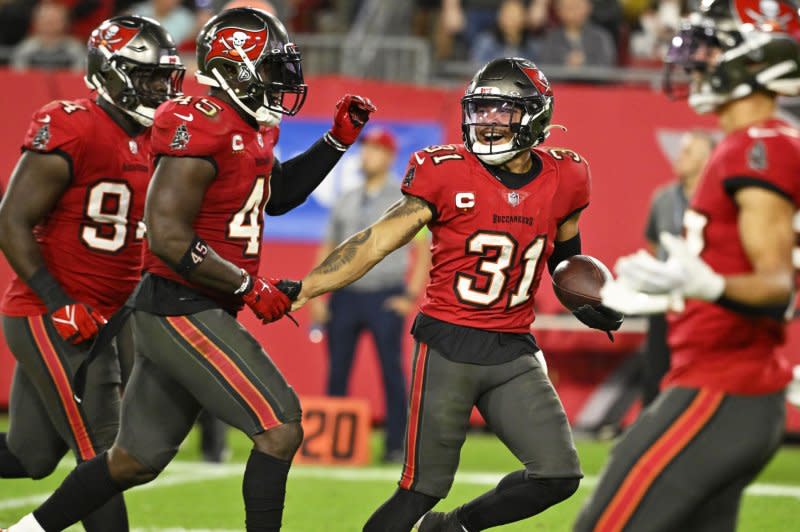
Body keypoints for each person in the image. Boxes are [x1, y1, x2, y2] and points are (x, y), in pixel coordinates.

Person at [2, 7, 375, 532]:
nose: (281, 82)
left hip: (169, 305)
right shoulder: (195, 121)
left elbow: (279, 196)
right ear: (235, 68)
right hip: (173, 304)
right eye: (270, 70)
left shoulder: (250, 126)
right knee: (280, 425)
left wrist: (335, 142)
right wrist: (249, 285)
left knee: (129, 459)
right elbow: (169, 236)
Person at [268, 57, 624, 532]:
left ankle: (453, 527)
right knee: (421, 489)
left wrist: (590, 302)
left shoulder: (567, 177)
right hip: (449, 346)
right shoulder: (445, 172)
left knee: (558, 474)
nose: (489, 122)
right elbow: (375, 241)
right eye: (482, 110)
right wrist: (306, 289)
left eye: (503, 112)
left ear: (535, 116)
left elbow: (565, 260)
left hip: (513, 348)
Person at [578, 2, 800, 530]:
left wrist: (705, 282)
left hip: (722, 388)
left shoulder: (756, 147)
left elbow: (774, 285)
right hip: (727, 385)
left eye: (711, 48)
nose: (697, 62)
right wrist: (670, 292)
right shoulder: (749, 145)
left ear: (751, 56)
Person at [0, 15, 185, 532]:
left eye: (164, 78)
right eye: (147, 77)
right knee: (104, 453)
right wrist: (59, 303)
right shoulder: (72, 124)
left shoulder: (157, 139)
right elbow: (11, 222)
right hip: (51, 312)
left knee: (29, 456)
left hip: (108, 317)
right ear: (112, 72)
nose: (158, 89)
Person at [310, 127, 431, 463]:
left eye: (376, 150)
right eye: (365, 149)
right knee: (337, 370)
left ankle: (396, 446)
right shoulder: (347, 197)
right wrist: (317, 292)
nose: (367, 155)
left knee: (392, 371)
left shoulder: (403, 199)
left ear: (389, 156)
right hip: (345, 294)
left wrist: (409, 294)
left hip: (384, 293)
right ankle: (332, 443)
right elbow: (328, 246)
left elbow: (423, 250)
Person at [639, 130, 713, 406]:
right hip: (665, 300)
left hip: (702, 303)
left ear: (708, 160)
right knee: (656, 370)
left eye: (688, 152)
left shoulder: (718, 200)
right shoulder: (663, 198)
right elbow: (652, 240)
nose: (679, 157)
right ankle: (649, 438)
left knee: (701, 373)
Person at [537, 0, 617, 68]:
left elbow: (606, 66)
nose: (573, 12)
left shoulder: (601, 37)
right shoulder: (551, 38)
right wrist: (566, 64)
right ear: (558, 11)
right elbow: (546, 68)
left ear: (588, 7)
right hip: (561, 85)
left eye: (577, 6)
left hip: (593, 85)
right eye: (568, 7)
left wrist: (585, 63)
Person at [11, 2, 85, 71]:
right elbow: (19, 76)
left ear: (66, 23)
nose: (50, 24)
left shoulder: (75, 49)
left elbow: (78, 76)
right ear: (36, 22)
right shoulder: (25, 48)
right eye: (46, 20)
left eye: (55, 20)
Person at [470, 0, 539, 65]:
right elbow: (477, 69)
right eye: (508, 16)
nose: (511, 21)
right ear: (499, 18)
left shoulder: (532, 47)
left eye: (515, 16)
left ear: (524, 19)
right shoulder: (486, 43)